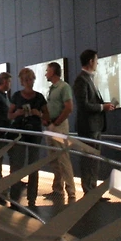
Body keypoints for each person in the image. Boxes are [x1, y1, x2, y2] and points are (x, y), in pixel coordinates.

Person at [73, 49, 116, 193]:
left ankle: (93, 191)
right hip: (88, 127)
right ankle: (88, 190)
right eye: (96, 60)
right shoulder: (81, 80)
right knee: (88, 160)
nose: (97, 63)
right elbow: (83, 105)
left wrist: (104, 106)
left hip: (95, 126)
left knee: (95, 160)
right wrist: (102, 107)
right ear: (91, 61)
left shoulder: (89, 79)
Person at [8, 68, 48, 205]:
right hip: (20, 132)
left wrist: (38, 114)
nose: (28, 82)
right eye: (25, 80)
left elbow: (47, 117)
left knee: (34, 165)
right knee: (17, 164)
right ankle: (14, 196)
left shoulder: (39, 97)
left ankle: (32, 197)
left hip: (34, 132)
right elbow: (10, 115)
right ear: (22, 81)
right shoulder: (16, 96)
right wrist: (17, 113)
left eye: (30, 79)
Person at [44, 61, 75, 202]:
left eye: (47, 71)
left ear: (53, 72)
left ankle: (71, 191)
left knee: (63, 159)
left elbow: (69, 108)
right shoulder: (52, 88)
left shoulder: (64, 87)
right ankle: (57, 189)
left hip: (59, 126)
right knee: (54, 159)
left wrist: (56, 123)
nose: (46, 73)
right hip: (51, 125)